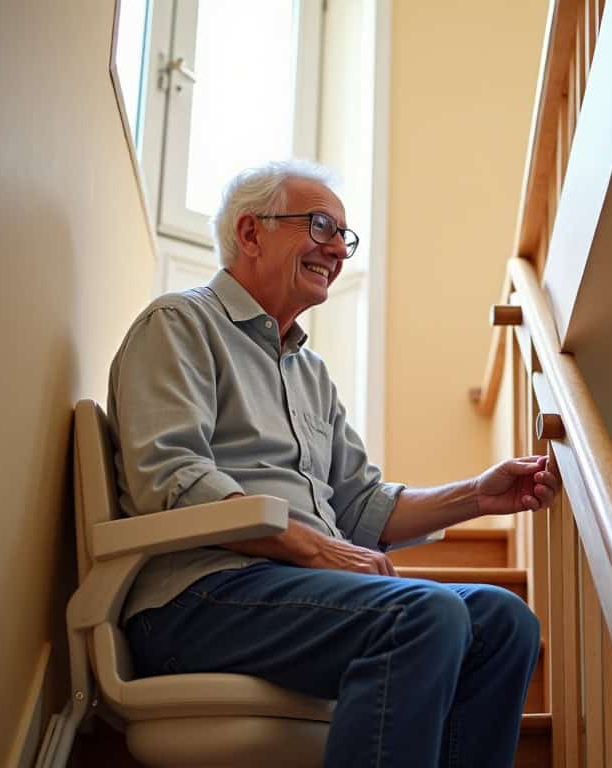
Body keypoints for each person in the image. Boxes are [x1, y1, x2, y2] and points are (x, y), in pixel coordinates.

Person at [108, 159, 559, 768]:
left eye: (343, 237)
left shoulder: (309, 371)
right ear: (250, 233)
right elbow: (172, 478)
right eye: (321, 226)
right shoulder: (180, 323)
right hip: (195, 599)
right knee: (424, 615)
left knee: (505, 622)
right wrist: (318, 549)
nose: (336, 250)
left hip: (291, 592)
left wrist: (477, 495)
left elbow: (359, 505)